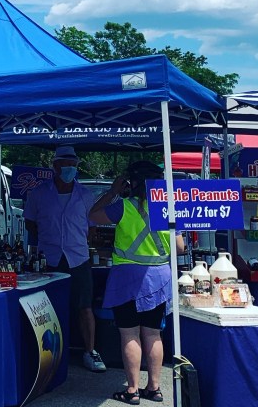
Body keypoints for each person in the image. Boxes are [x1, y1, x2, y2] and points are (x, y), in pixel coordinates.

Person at [89, 161, 185, 405]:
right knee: (153, 334)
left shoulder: (123, 206)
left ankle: (132, 390)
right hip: (159, 278)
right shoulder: (167, 208)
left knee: (129, 333)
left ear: (131, 183)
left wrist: (113, 191)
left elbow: (92, 216)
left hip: (126, 279)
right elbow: (179, 247)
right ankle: (154, 388)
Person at [23, 145, 105, 372]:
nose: (70, 168)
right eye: (65, 164)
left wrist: (80, 240)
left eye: (73, 164)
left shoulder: (85, 195)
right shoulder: (39, 194)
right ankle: (51, 353)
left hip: (78, 257)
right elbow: (30, 222)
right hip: (48, 258)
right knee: (48, 307)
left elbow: (92, 226)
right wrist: (45, 238)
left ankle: (90, 351)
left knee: (84, 307)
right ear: (55, 166)